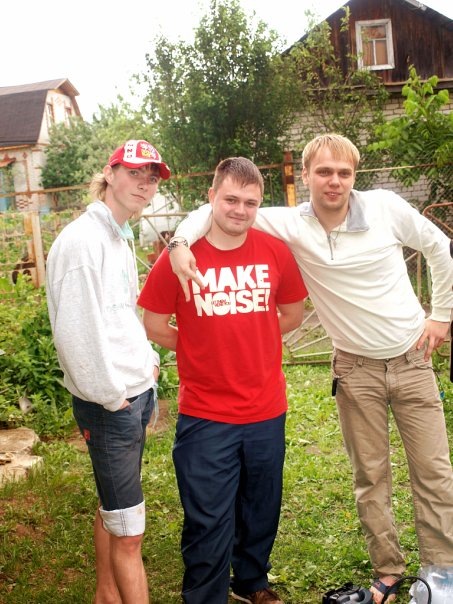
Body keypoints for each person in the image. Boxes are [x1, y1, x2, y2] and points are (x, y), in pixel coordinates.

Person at [167, 134, 453, 604]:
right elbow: (214, 208)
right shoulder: (290, 223)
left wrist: (441, 314)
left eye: (344, 173)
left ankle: (440, 572)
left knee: (434, 470)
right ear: (305, 176)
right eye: (324, 172)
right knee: (371, 477)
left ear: (355, 176)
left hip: (411, 359)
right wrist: (180, 243)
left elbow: (440, 246)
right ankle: (387, 570)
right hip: (355, 369)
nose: (334, 181)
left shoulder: (384, 207)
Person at [137, 157, 308, 604]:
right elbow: (153, 324)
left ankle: (251, 582)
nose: (240, 210)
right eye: (231, 199)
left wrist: (253, 335)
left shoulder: (275, 252)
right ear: (211, 197)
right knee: (208, 516)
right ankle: (205, 595)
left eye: (250, 202)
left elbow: (292, 314)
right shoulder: (180, 259)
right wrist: (199, 345)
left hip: (266, 408)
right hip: (206, 413)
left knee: (261, 506)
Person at [46, 139, 171, 604]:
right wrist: (111, 395)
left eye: (152, 178)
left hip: (133, 393)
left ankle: (105, 592)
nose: (145, 184)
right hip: (110, 405)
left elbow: (121, 313)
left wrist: (147, 361)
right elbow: (75, 332)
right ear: (110, 173)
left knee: (115, 507)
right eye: (135, 173)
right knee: (130, 531)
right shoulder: (82, 242)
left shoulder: (119, 235)